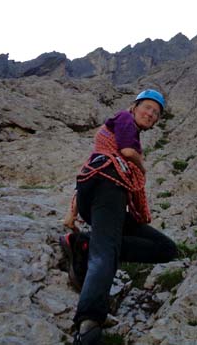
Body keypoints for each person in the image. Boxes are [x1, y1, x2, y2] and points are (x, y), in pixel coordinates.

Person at [60, 89, 178, 345]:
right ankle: (88, 323)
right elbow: (126, 152)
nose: (151, 114)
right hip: (108, 189)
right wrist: (142, 166)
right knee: (107, 252)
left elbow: (89, 170)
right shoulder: (124, 119)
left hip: (104, 196)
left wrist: (73, 211)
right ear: (134, 107)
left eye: (156, 113)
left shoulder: (113, 139)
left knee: (166, 249)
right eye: (147, 107)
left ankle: (85, 243)